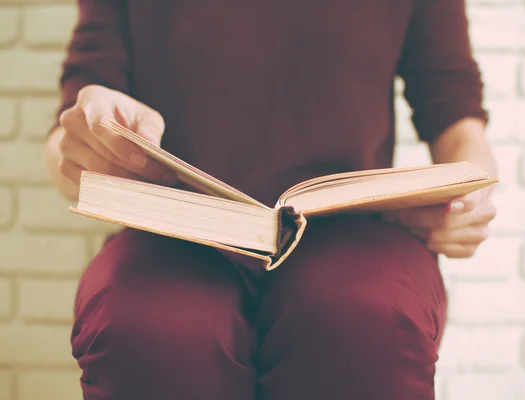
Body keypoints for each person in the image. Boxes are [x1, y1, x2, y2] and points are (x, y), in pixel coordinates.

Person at [44, 0, 497, 399]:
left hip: (353, 230)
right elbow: (78, 109)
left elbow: (452, 103)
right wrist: (85, 147)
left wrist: (470, 195)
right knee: (146, 327)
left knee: (365, 318)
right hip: (179, 226)